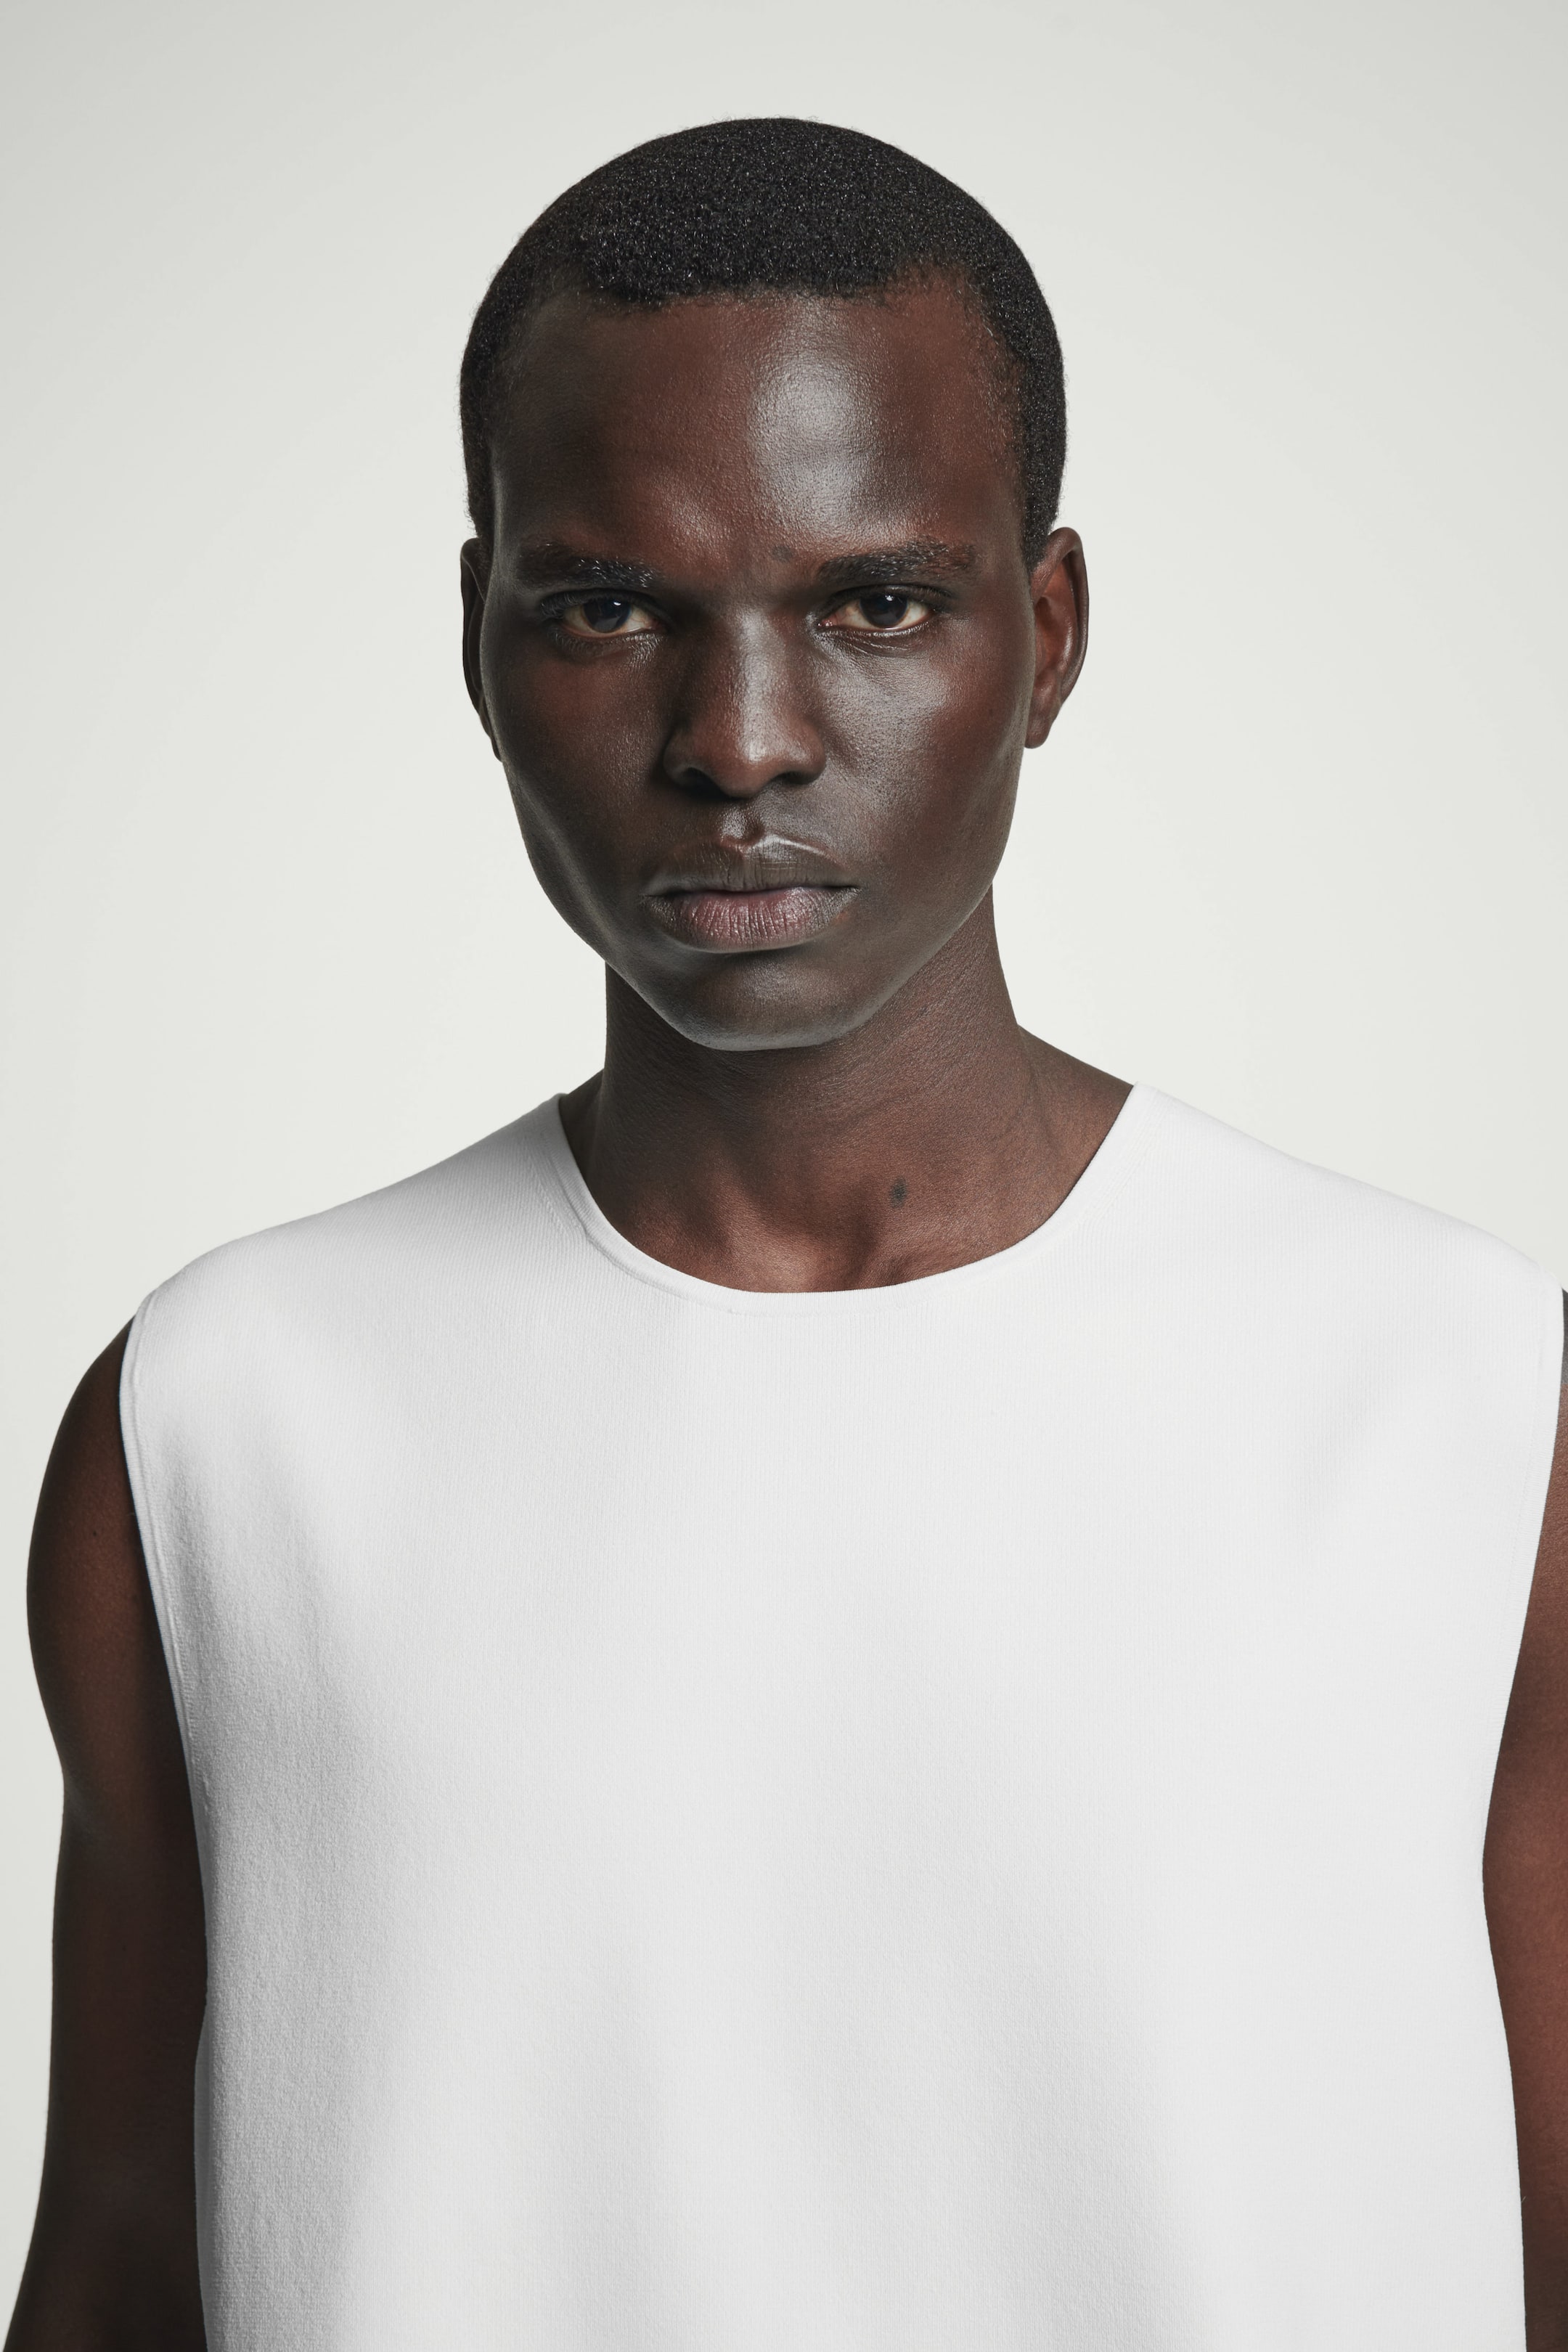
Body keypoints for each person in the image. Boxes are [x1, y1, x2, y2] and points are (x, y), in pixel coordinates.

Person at [7, 115, 1566, 2352]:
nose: (739, 746)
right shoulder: (227, 1423)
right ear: (480, 643)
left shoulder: (1460, 1400)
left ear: (1046, 635)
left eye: (874, 604)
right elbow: (119, 2265)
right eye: (610, 608)